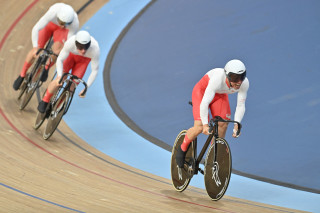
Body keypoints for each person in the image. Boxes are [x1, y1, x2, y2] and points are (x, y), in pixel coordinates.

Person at [176, 59, 249, 168]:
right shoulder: (217, 79)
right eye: (235, 78)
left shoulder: (244, 83)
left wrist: (237, 124)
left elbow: (241, 105)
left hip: (219, 95)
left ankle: (212, 155)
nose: (239, 82)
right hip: (202, 92)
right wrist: (205, 125)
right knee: (199, 127)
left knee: (223, 123)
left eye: (242, 77)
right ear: (227, 76)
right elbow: (205, 103)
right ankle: (182, 147)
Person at [13, 3, 79, 90]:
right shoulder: (53, 11)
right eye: (62, 22)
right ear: (58, 17)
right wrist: (36, 47)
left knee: (57, 51)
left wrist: (60, 53)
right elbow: (36, 28)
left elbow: (67, 44)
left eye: (66, 24)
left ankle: (46, 67)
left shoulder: (74, 23)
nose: (63, 25)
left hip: (61, 32)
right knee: (35, 51)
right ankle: (22, 75)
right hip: (50, 25)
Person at [37, 30, 100, 113]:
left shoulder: (95, 49)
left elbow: (94, 70)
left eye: (86, 47)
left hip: (82, 63)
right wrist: (59, 76)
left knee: (72, 87)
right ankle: (45, 100)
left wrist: (86, 87)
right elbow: (60, 60)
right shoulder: (70, 42)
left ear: (89, 44)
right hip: (70, 58)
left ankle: (56, 107)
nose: (83, 51)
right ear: (76, 43)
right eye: (80, 47)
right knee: (59, 80)